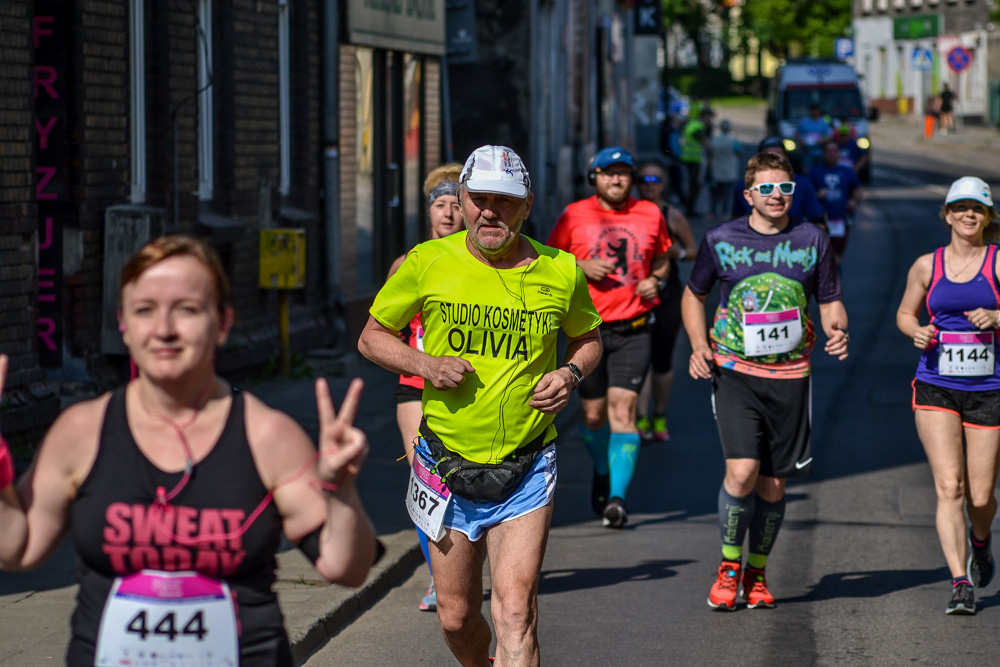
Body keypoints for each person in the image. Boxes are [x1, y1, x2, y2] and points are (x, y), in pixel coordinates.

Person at [0, 236, 380, 666]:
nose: (164, 328)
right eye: (145, 310)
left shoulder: (267, 436)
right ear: (123, 323)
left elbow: (346, 570)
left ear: (222, 323)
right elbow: (18, 548)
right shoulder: (81, 431)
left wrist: (342, 490)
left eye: (187, 309)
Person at [357, 145, 602, 666]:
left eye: (505, 201)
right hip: (444, 462)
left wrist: (569, 372)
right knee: (457, 616)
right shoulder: (427, 263)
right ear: (462, 200)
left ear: (528, 205)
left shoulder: (561, 270)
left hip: (528, 460)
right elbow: (373, 337)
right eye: (479, 199)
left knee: (516, 614)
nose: (491, 211)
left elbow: (589, 338)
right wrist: (426, 365)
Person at [682, 151, 849, 611]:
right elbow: (693, 295)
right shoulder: (721, 238)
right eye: (768, 188)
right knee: (741, 471)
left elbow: (831, 300)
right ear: (749, 194)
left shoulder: (813, 238)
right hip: (735, 371)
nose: (778, 196)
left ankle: (756, 572)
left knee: (773, 486)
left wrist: (838, 330)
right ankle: (729, 565)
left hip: (792, 376)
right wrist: (699, 345)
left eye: (786, 188)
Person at [547, 146, 672, 528]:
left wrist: (658, 279)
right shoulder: (574, 214)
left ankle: (617, 498)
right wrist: (580, 264)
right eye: (608, 173)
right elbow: (549, 259)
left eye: (623, 173)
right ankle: (603, 469)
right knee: (594, 414)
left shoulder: (650, 213)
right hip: (587, 334)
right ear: (594, 178)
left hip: (634, 327)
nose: (616, 179)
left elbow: (663, 257)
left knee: (624, 411)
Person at [895, 176, 1000, 615]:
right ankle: (960, 583)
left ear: (987, 215)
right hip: (936, 384)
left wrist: (997, 314)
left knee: (980, 496)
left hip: (988, 389)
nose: (967, 214)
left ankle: (981, 541)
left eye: (976, 208)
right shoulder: (926, 265)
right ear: (947, 214)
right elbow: (904, 313)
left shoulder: (998, 262)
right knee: (948, 487)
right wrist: (916, 331)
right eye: (960, 207)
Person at [387, 162, 464, 612]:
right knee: (425, 477)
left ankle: (464, 564)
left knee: (464, 479)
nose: (449, 214)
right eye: (440, 205)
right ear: (428, 212)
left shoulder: (480, 260)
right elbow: (385, 329)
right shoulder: (409, 262)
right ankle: (439, 577)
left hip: (463, 386)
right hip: (414, 383)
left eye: (457, 205)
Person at [633, 160, 699, 442]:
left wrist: (677, 254)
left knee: (662, 359)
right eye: (644, 179)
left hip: (667, 293)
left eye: (655, 179)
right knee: (638, 360)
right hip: (634, 294)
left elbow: (693, 250)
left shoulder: (672, 216)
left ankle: (659, 414)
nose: (650, 184)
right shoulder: (628, 213)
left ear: (664, 184)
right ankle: (639, 419)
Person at [730, 137, 826, 228]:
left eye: (778, 156)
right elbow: (736, 220)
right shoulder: (744, 185)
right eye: (768, 157)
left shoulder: (803, 184)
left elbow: (817, 220)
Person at [807, 139, 863, 264]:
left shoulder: (847, 171)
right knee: (819, 256)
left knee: (836, 257)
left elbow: (858, 189)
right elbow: (805, 194)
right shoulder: (813, 172)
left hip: (840, 220)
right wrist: (817, 195)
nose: (831, 154)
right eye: (828, 151)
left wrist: (854, 201)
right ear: (822, 153)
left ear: (839, 153)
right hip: (819, 220)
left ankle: (835, 281)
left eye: (834, 151)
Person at [681, 106, 715, 217]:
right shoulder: (698, 127)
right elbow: (706, 142)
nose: (710, 120)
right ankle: (690, 208)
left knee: (693, 184)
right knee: (695, 185)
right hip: (695, 159)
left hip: (689, 158)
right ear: (705, 116)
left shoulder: (693, 124)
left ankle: (690, 207)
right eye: (710, 118)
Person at [708, 119, 743, 222]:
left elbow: (709, 152)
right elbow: (740, 153)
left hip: (716, 169)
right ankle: (725, 213)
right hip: (729, 171)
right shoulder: (733, 141)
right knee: (727, 195)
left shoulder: (713, 139)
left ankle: (712, 212)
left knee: (714, 194)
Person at [794, 103, 833, 171]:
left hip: (820, 152)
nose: (814, 112)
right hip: (807, 152)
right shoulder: (804, 122)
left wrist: (821, 140)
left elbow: (829, 136)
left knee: (820, 170)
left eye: (816, 110)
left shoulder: (824, 122)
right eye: (812, 110)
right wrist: (801, 142)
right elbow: (796, 134)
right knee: (807, 170)